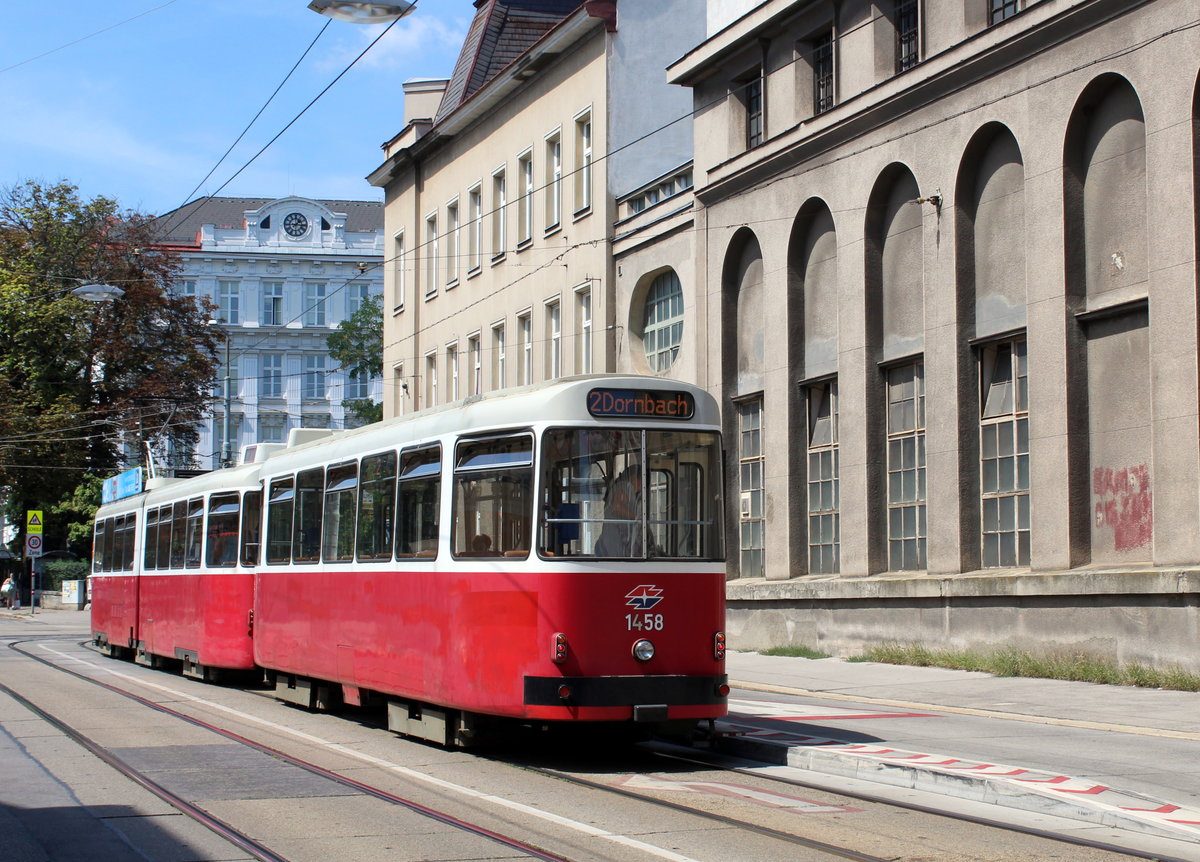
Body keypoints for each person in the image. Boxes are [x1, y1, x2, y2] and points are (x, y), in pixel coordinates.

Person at [595, 467, 644, 557]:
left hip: (612, 540)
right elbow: (616, 507)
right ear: (633, 478)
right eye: (641, 481)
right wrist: (636, 518)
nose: (641, 486)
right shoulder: (625, 486)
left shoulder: (627, 489)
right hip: (613, 540)